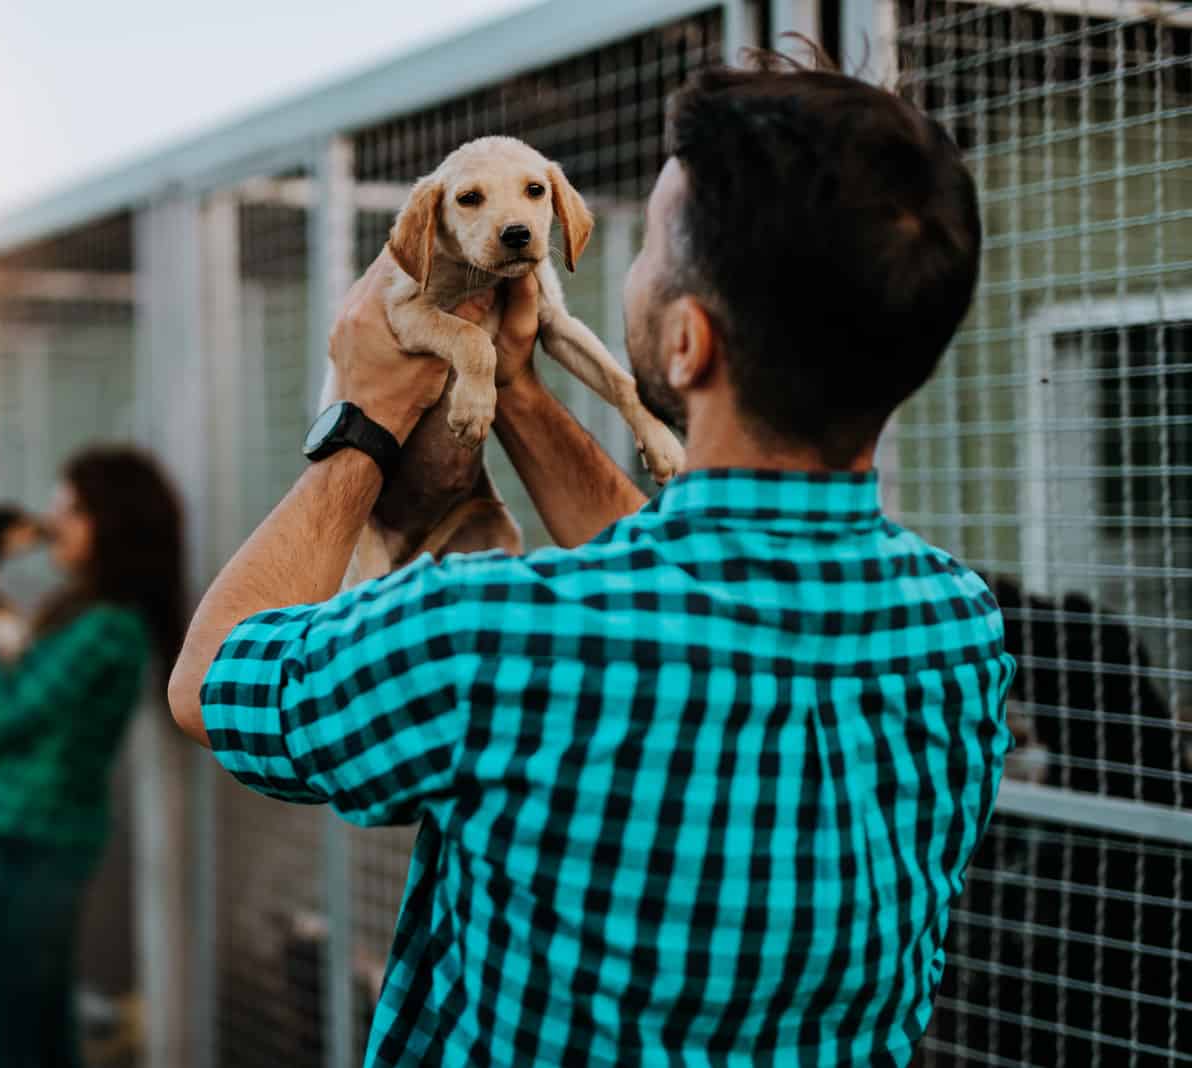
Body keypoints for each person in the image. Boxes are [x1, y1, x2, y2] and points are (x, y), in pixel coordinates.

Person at [168, 54, 1014, 1067]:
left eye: (651, 245)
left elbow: (211, 679)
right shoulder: (957, 628)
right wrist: (517, 390)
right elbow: (679, 584)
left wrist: (368, 414)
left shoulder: (485, 637)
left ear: (689, 342)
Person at [0, 446, 185, 1068]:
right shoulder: (85, 611)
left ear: (111, 522)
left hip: (33, 841)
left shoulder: (109, 627)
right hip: (25, 832)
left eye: (70, 508)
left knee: (15, 1029)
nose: (51, 521)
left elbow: (8, 720)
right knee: (35, 1019)